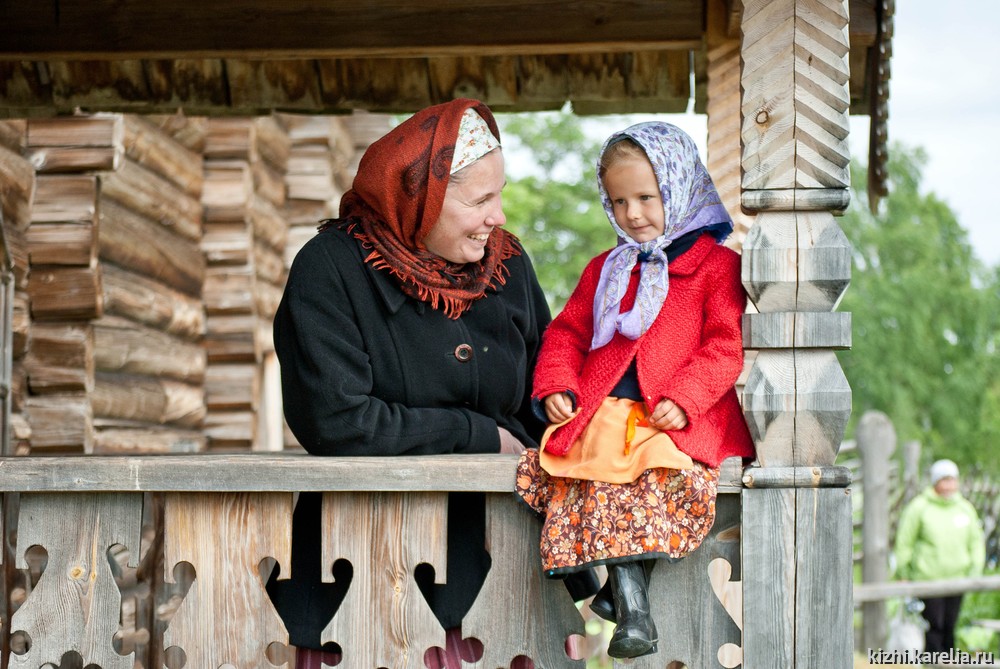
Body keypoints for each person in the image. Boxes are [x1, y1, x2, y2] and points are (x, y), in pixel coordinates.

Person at [267, 98, 579, 666]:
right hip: (359, 574)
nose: (498, 217)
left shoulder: (508, 268)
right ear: (422, 197)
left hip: (501, 572)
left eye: (500, 194)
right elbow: (339, 422)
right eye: (480, 200)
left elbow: (546, 399)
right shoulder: (330, 269)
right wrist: (476, 435)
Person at [515, 122, 755, 659]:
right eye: (619, 201)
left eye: (647, 197)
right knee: (593, 465)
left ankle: (622, 602)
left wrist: (686, 397)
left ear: (680, 187)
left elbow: (724, 345)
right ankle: (631, 609)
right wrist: (557, 384)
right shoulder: (606, 267)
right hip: (602, 409)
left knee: (651, 470)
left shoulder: (717, 267)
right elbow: (566, 334)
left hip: (675, 416)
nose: (633, 214)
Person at [894, 458, 986, 654]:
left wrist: (975, 571)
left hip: (957, 581)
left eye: (952, 480)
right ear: (935, 482)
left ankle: (949, 665)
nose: (948, 485)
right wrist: (903, 572)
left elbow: (976, 542)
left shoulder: (965, 508)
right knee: (934, 628)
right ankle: (934, 665)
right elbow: (905, 542)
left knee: (950, 628)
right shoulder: (919, 507)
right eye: (944, 480)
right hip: (928, 580)